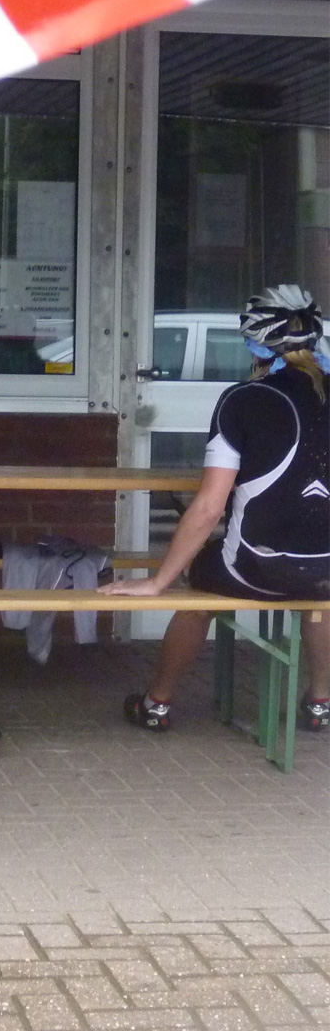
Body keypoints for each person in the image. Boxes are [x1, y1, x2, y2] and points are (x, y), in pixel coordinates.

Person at [100, 284, 330, 733]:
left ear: (255, 345)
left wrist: (157, 582)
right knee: (319, 594)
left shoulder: (243, 400)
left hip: (255, 568)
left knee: (196, 584)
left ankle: (156, 703)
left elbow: (209, 507)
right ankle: (321, 702)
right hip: (326, 569)